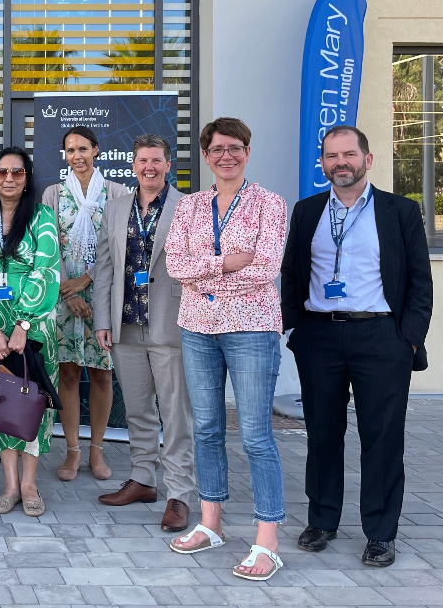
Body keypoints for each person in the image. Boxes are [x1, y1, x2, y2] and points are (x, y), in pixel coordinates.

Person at [281, 126, 433, 568]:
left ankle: (381, 533)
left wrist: (408, 338)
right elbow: (292, 273)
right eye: (332, 156)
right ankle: (322, 521)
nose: (340, 162)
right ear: (323, 163)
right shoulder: (307, 210)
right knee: (323, 434)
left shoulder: (400, 210)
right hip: (320, 337)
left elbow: (420, 281)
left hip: (381, 336)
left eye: (349, 154)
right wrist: (295, 329)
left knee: (382, 439)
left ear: (368, 159)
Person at [164, 117, 288, 581]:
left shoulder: (269, 204)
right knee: (208, 428)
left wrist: (206, 276)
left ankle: (267, 540)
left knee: (256, 435)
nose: (226, 156)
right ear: (206, 155)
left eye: (235, 147)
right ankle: (211, 523)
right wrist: (225, 263)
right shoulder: (191, 206)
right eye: (216, 149)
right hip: (197, 329)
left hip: (252, 329)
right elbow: (176, 264)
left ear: (247, 152)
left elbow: (265, 268)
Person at [92, 135, 196, 533]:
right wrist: (103, 319)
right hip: (125, 322)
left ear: (169, 165)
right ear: (132, 165)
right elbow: (104, 268)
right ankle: (143, 480)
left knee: (175, 415)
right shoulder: (116, 207)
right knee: (136, 410)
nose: (149, 167)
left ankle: (180, 495)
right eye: (142, 161)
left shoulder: (187, 206)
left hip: (170, 320)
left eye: (157, 160)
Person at [0, 146, 61, 518]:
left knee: (31, 398)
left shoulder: (42, 217)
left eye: (16, 173)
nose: (8, 179)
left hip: (34, 325)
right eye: (1, 172)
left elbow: (47, 271)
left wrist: (23, 323)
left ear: (27, 178)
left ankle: (30, 483)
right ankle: (8, 482)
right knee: (1, 399)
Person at [42, 126, 130, 481]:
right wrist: (70, 289)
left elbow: (119, 248)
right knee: (67, 371)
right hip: (64, 296)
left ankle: (97, 452)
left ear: (96, 150)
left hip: (103, 295)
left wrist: (88, 280)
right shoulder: (53, 194)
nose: (77, 155)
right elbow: (48, 245)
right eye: (69, 150)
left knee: (102, 374)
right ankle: (72, 453)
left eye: (83, 148)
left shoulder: (117, 193)